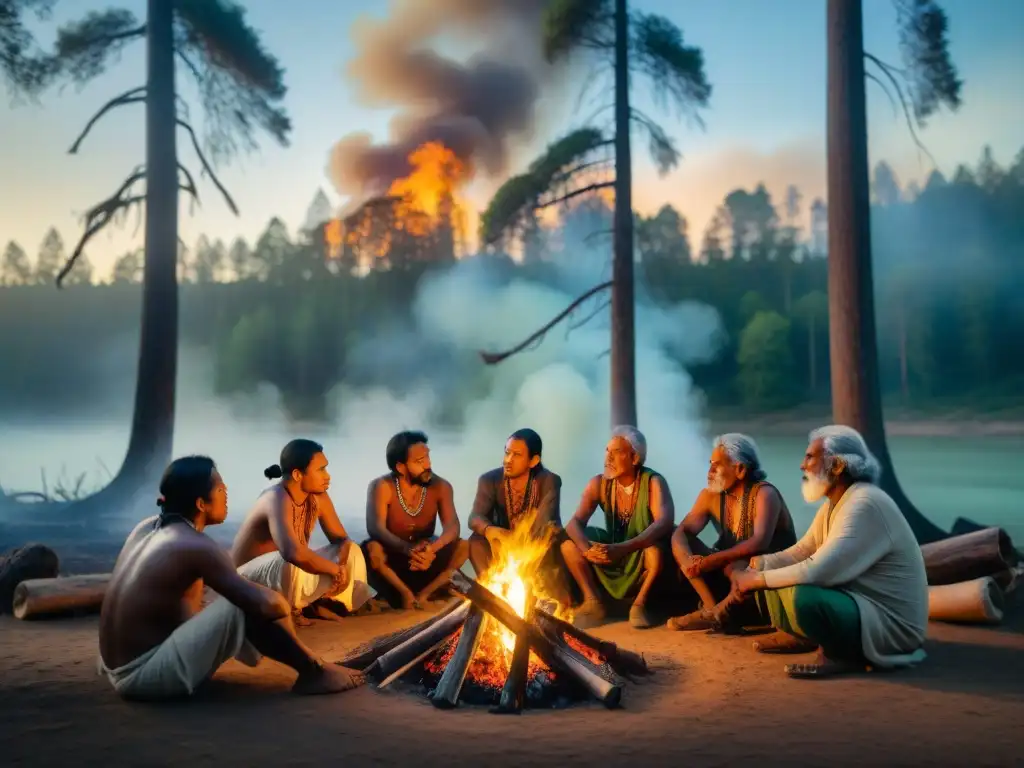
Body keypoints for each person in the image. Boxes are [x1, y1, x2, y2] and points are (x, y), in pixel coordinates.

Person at [98, 455, 365, 700]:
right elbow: (263, 605)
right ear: (201, 503)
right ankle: (314, 671)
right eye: (220, 489)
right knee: (250, 603)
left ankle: (311, 667)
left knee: (248, 594)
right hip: (143, 677)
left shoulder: (147, 527)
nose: (226, 493)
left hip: (117, 665)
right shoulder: (194, 545)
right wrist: (282, 605)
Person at [730, 425, 929, 679]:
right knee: (767, 567)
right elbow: (803, 550)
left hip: (891, 626)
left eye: (810, 457)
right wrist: (759, 565)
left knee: (807, 594)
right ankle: (800, 635)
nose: (802, 466)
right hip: (862, 607)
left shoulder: (865, 503)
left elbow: (819, 570)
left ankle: (838, 655)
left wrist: (756, 580)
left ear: (836, 466)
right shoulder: (835, 503)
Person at [232, 439, 373, 626]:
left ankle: (328, 602)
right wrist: (333, 569)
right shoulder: (275, 497)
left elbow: (341, 539)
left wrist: (342, 558)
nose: (328, 476)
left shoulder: (318, 496)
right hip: (244, 581)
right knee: (292, 559)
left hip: (284, 572)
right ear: (298, 474)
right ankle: (291, 611)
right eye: (321, 469)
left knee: (352, 550)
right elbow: (292, 553)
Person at [667, 433, 796, 632]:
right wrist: (688, 562)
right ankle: (711, 609)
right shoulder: (709, 496)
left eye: (716, 465)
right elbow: (682, 532)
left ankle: (722, 614)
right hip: (729, 577)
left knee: (737, 565)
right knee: (680, 538)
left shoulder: (765, 494)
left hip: (764, 581)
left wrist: (712, 560)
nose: (709, 471)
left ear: (740, 469)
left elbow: (759, 543)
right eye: (710, 463)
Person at [560, 425, 675, 629]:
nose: (608, 459)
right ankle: (592, 601)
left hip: (638, 552)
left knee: (654, 552)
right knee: (568, 545)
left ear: (634, 458)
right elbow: (574, 523)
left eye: (617, 452)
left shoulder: (653, 482)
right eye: (607, 451)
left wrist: (623, 548)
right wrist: (588, 550)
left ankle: (639, 604)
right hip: (613, 550)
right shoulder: (599, 484)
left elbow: (664, 523)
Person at [363, 430, 469, 610]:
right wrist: (408, 549)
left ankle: (425, 594)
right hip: (394, 562)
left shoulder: (441, 486)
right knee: (372, 548)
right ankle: (405, 594)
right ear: (401, 467)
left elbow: (452, 527)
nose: (428, 465)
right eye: (420, 461)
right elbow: (376, 528)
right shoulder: (382, 487)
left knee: (465, 546)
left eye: (428, 457)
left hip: (426, 557)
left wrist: (432, 549)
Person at [467, 428, 568, 598]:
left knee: (548, 541)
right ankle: (494, 594)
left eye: (517, 455)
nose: (508, 460)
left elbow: (544, 524)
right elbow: (475, 517)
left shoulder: (548, 481)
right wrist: (490, 530)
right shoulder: (489, 479)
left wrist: (517, 543)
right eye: (507, 453)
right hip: (502, 547)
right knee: (475, 541)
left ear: (534, 460)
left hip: (537, 549)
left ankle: (536, 595)